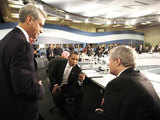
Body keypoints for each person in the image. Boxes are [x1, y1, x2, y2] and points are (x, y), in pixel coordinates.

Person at [0, 4, 47, 120]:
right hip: (21, 111)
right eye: (40, 25)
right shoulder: (23, 45)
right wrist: (40, 88)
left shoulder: (6, 40)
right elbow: (24, 87)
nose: (42, 30)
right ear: (29, 20)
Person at [91, 45, 160, 120]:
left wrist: (100, 112)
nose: (108, 64)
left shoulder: (116, 84)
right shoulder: (142, 77)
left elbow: (110, 116)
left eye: (110, 61)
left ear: (117, 61)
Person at [48, 51, 86, 120]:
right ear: (68, 58)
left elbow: (75, 83)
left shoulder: (78, 69)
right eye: (73, 59)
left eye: (77, 60)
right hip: (56, 83)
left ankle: (76, 112)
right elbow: (52, 74)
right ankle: (61, 108)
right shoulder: (60, 63)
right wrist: (55, 84)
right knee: (57, 94)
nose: (75, 61)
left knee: (81, 92)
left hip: (67, 86)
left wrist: (80, 81)